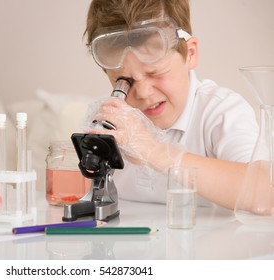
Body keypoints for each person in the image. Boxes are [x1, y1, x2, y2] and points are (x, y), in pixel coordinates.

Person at [83, 0, 259, 209]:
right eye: (124, 81)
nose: (143, 93)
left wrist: (154, 150)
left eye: (155, 73)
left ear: (190, 54)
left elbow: (262, 194)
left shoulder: (221, 112)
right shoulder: (113, 123)